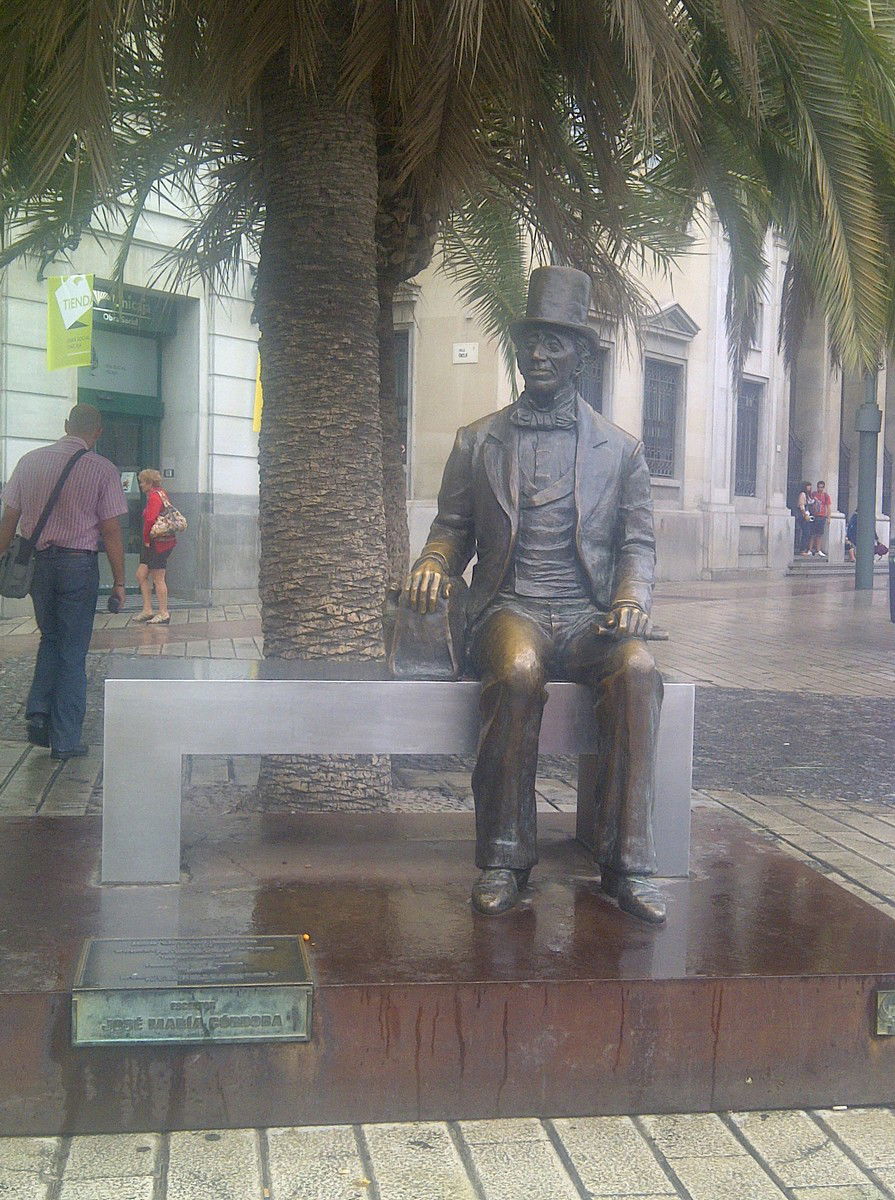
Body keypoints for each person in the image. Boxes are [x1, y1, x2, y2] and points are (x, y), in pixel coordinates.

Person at [406, 266, 665, 924]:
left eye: (554, 343)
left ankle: (626, 862)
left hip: (588, 616)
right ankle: (503, 857)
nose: (539, 355)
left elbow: (637, 544)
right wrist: (434, 562)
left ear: (580, 355)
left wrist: (630, 597)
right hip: (510, 607)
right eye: (530, 343)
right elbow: (451, 529)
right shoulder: (476, 439)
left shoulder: (621, 449)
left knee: (637, 672)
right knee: (517, 674)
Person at [0, 404, 126, 759]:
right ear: (97, 432)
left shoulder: (29, 461)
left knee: (50, 638)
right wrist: (119, 583)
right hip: (78, 567)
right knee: (72, 650)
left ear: (65, 425)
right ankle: (66, 739)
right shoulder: (103, 469)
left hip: (39, 565)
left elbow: (8, 519)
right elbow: (112, 530)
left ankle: (39, 712)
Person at [135, 469, 176, 624]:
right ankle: (147, 610)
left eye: (142, 482)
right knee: (141, 574)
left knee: (158, 578)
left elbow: (150, 520)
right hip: (159, 542)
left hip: (157, 543)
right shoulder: (162, 493)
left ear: (149, 483)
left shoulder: (154, 496)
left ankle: (163, 612)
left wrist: (146, 539)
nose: (140, 485)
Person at [809, 480, 832, 557]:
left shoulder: (825, 496)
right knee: (812, 534)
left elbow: (828, 507)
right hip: (814, 515)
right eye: (819, 487)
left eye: (821, 487)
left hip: (822, 516)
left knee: (819, 534)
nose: (820, 489)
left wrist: (828, 517)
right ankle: (810, 549)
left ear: (823, 487)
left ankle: (818, 550)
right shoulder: (813, 494)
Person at [795, 481, 814, 556]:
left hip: (806, 514)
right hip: (803, 515)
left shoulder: (807, 495)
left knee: (807, 532)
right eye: (808, 486)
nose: (810, 487)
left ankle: (804, 549)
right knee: (805, 532)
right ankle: (802, 549)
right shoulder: (803, 494)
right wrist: (805, 515)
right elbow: (801, 505)